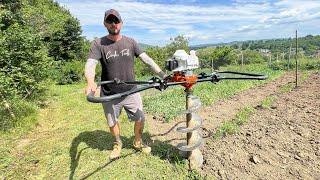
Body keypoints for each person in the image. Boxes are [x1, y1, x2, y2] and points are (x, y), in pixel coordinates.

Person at [84, 9, 166, 160]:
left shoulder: (131, 42)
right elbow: (91, 64)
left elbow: (147, 60)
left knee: (140, 118)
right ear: (105, 24)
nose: (113, 24)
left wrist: (163, 75)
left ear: (121, 23)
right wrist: (90, 81)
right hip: (109, 94)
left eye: (116, 21)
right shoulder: (98, 44)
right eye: (110, 21)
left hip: (131, 91)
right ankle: (117, 143)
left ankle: (138, 142)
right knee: (112, 121)